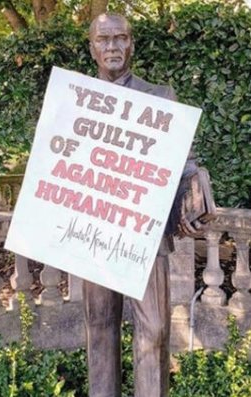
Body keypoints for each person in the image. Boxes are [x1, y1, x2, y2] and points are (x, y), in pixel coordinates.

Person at [82, 13, 199, 397]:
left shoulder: (160, 96)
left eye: (120, 38)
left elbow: (185, 158)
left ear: (131, 44)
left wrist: (195, 185)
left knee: (155, 330)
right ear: (92, 47)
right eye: (104, 39)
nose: (112, 46)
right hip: (92, 232)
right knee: (99, 327)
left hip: (144, 234)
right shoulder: (74, 99)